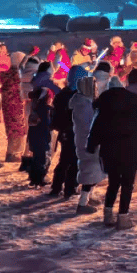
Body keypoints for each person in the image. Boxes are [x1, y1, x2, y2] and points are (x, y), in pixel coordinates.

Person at [88, 79, 137, 228]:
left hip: (109, 150)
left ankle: (108, 214)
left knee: (113, 183)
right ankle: (123, 217)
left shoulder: (104, 108)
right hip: (129, 149)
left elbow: (95, 129)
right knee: (127, 184)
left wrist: (91, 146)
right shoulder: (131, 104)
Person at [50, 65, 87, 198]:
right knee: (74, 161)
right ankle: (70, 188)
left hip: (64, 131)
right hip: (75, 131)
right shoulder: (78, 95)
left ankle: (56, 187)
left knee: (64, 160)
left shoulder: (62, 93)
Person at [71, 75, 103, 214]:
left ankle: (88, 197)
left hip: (88, 140)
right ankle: (82, 203)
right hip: (88, 142)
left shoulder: (84, 102)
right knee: (90, 170)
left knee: (94, 170)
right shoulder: (84, 105)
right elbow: (88, 124)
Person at [1, 53, 28, 163]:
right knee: (18, 129)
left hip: (9, 106)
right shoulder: (18, 75)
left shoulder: (7, 74)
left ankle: (11, 152)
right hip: (17, 106)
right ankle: (14, 154)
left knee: (13, 129)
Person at [26, 86, 55, 186]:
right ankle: (40, 179)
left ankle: (34, 178)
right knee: (43, 159)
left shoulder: (34, 107)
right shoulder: (45, 109)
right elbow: (48, 124)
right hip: (43, 138)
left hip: (34, 138)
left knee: (36, 158)